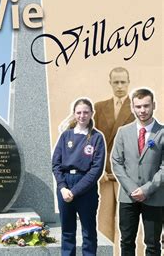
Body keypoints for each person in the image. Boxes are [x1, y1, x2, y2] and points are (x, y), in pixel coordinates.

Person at [112, 88, 163, 256]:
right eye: (138, 106)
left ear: (153, 105)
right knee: (126, 241)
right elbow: (116, 162)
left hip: (155, 197)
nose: (142, 110)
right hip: (128, 197)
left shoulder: (162, 133)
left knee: (153, 244)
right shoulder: (123, 132)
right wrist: (133, 189)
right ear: (132, 108)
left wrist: (146, 189)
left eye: (146, 106)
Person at [52, 98, 106, 256]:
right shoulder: (65, 136)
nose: (82, 115)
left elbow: (96, 170)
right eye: (79, 112)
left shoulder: (96, 138)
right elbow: (56, 164)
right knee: (67, 231)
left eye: (86, 112)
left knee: (88, 232)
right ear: (74, 114)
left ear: (91, 114)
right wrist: (62, 187)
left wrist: (75, 191)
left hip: (86, 187)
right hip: (65, 186)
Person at [94, 67, 135, 247]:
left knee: (128, 224)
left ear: (128, 82)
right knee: (103, 224)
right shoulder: (99, 107)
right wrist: (97, 169)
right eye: (116, 82)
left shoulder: (138, 108)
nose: (119, 86)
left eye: (123, 82)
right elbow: (88, 140)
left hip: (128, 176)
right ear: (110, 83)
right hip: (103, 176)